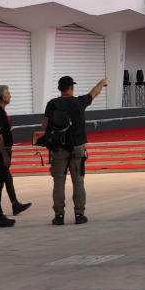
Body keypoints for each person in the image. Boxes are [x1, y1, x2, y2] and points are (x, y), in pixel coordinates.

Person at [41, 75, 108, 225]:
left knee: (58, 182)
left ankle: (59, 216)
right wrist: (101, 82)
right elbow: (94, 93)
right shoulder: (79, 102)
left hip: (58, 148)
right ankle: (79, 214)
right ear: (72, 87)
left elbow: (44, 125)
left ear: (59, 89)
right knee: (78, 181)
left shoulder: (52, 104)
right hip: (77, 147)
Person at [0, 85, 30, 228]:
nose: (10, 95)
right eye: (8, 93)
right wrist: (5, 155)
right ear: (2, 97)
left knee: (2, 182)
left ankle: (7, 209)